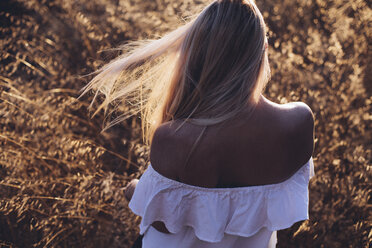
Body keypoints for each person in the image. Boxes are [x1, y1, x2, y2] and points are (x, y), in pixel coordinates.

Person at [80, 0, 315, 247]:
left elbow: (163, 224)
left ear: (198, 55)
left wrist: (135, 190)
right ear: (263, 49)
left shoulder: (176, 138)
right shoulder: (297, 122)